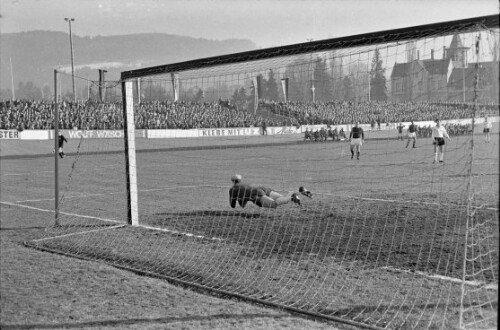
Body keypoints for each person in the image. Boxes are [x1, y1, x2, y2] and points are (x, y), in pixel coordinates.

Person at [229, 174, 302, 209]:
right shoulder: (245, 184)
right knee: (282, 198)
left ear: (233, 181)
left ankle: (292, 198)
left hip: (256, 195)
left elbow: (233, 205)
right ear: (240, 180)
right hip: (262, 189)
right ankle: (295, 193)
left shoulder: (232, 190)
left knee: (274, 204)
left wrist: (238, 200)